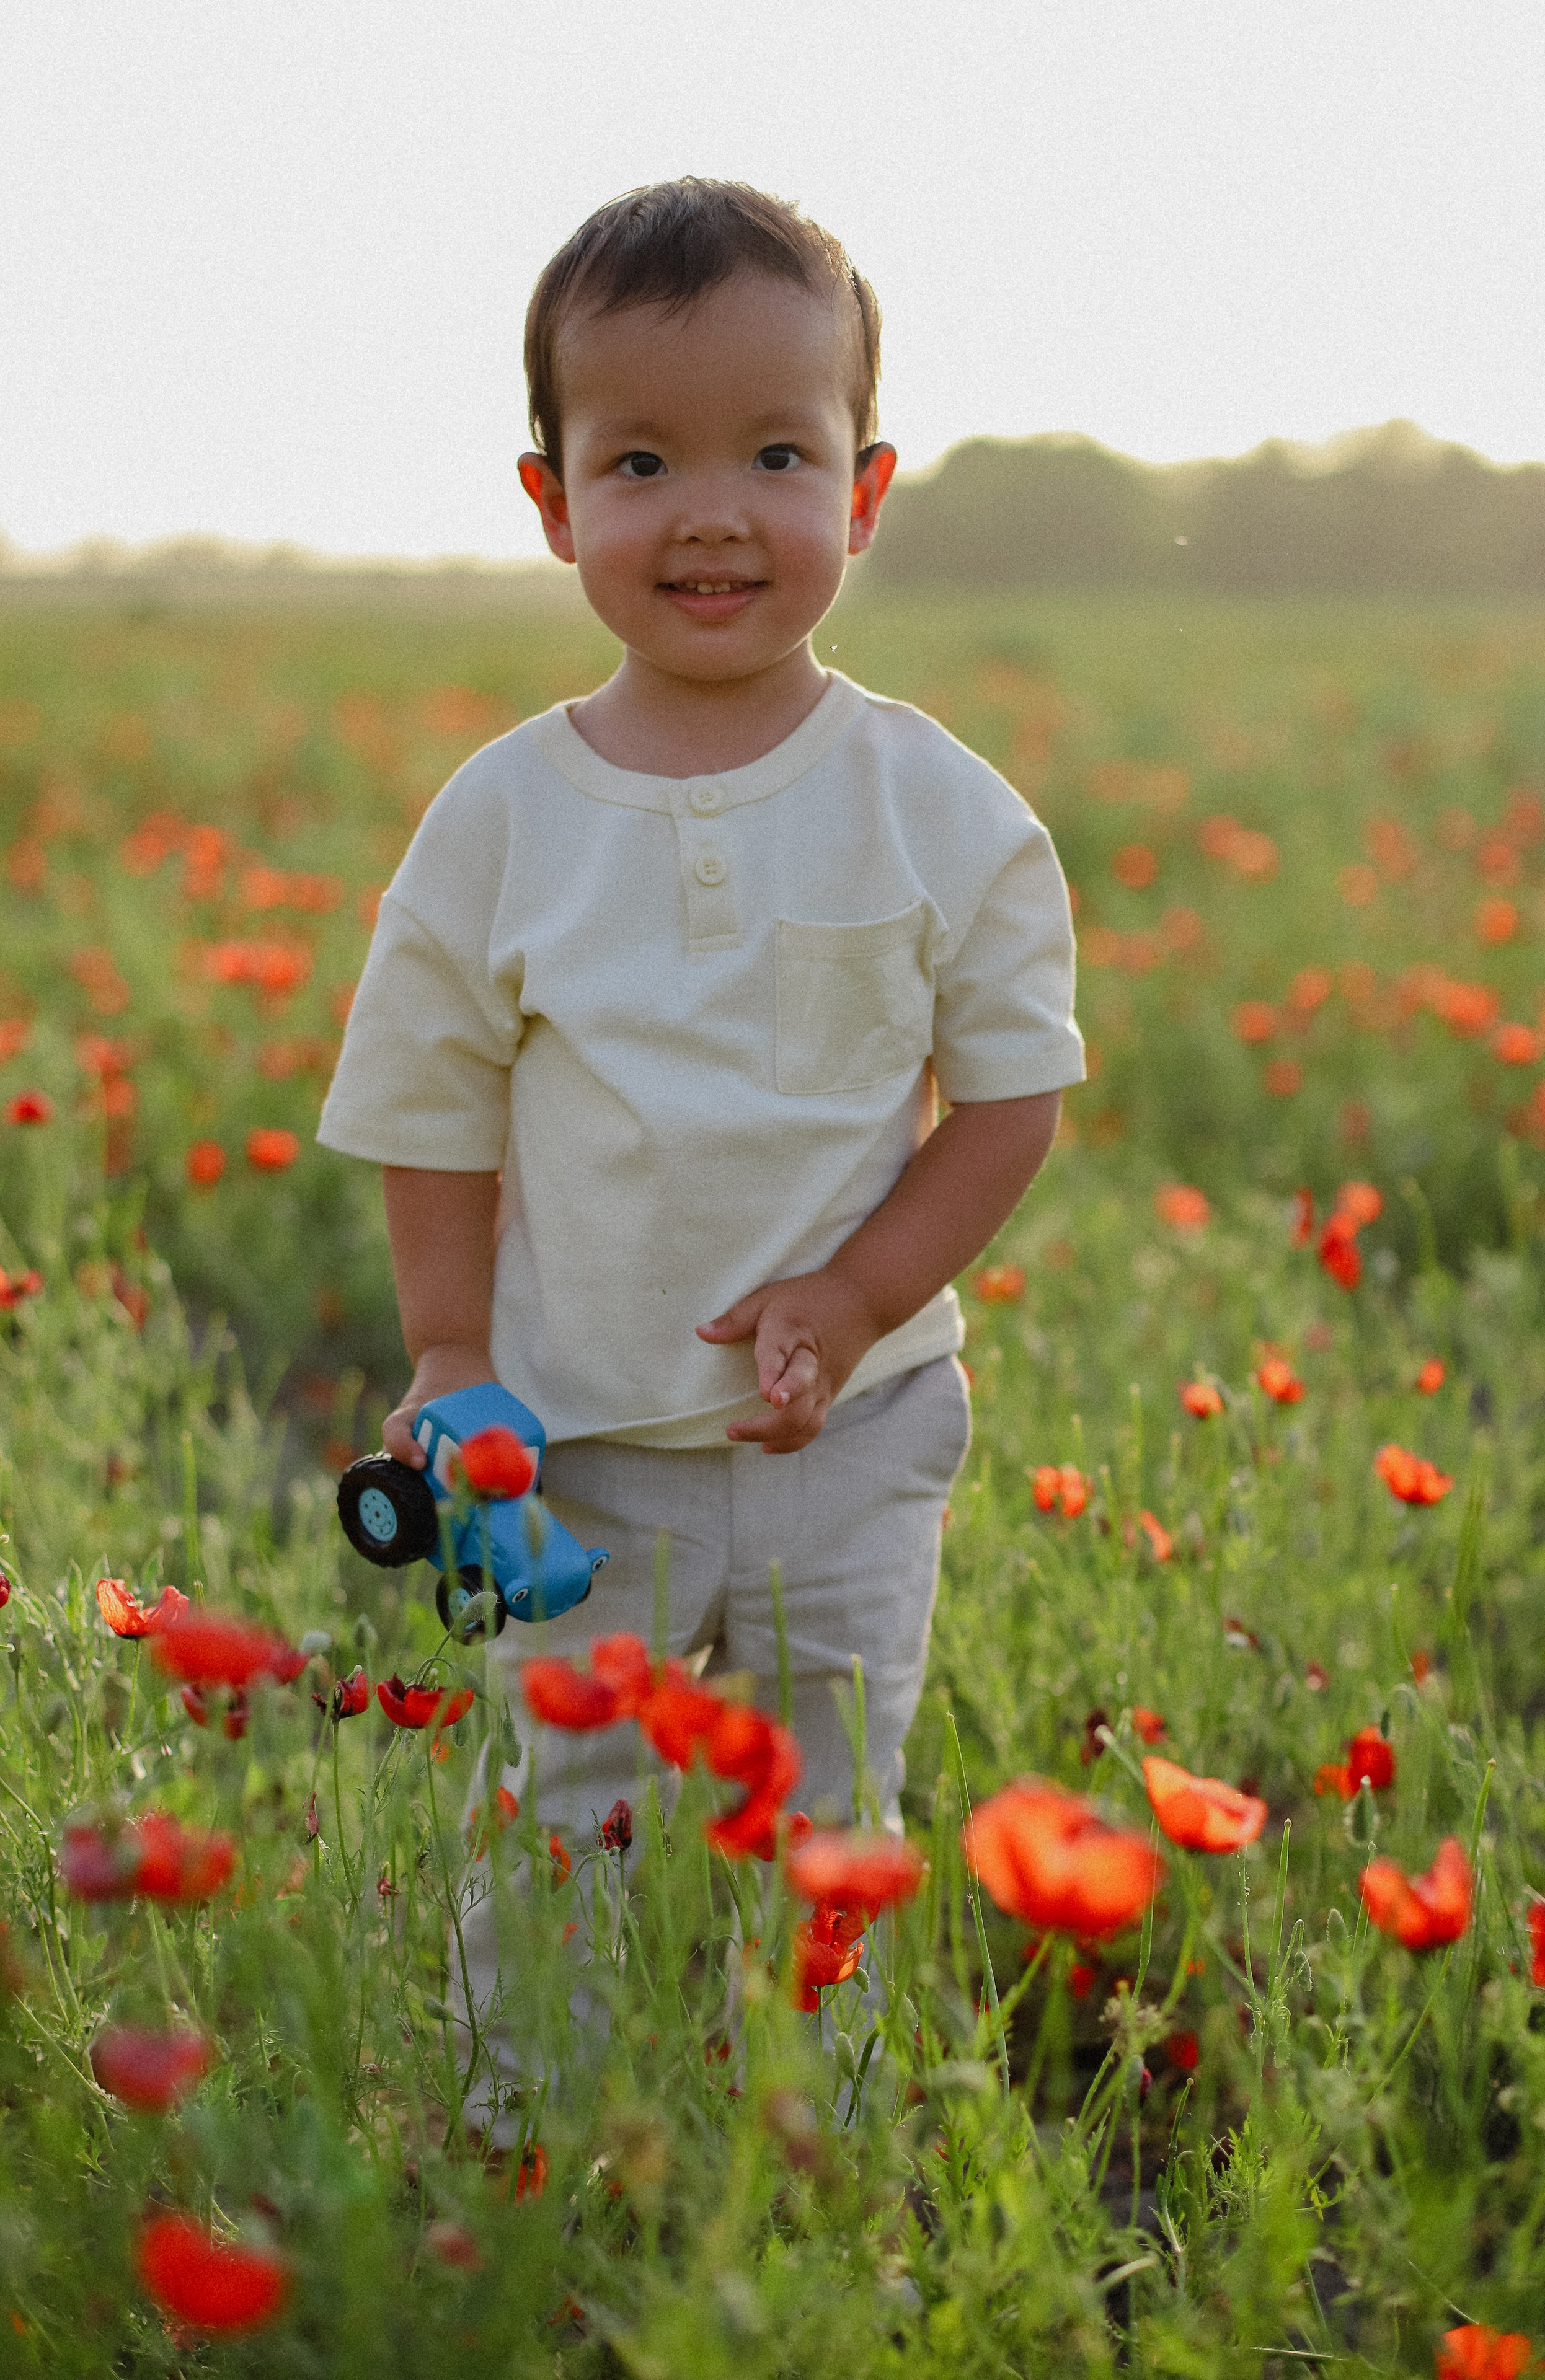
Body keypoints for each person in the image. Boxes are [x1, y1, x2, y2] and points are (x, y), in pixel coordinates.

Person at [317, 177, 1084, 2131]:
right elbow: (433, 1103)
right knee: (577, 1809)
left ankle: (815, 2149)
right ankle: (536, 2142)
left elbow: (1010, 1100)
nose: (716, 509)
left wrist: (859, 1289)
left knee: (834, 1809)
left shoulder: (941, 806)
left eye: (778, 451)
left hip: (853, 1435)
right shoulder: (501, 819)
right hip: (572, 1441)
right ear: (554, 502)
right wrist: (442, 1353)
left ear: (867, 486)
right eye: (642, 459)